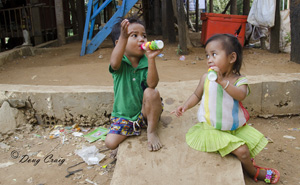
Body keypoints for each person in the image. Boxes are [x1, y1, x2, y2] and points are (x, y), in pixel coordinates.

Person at [172, 34, 280, 184]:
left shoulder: (239, 80)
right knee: (243, 151)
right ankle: (254, 172)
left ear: (232, 58)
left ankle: (246, 161)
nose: (209, 59)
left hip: (234, 128)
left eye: (214, 54)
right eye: (207, 55)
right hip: (212, 129)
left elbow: (241, 95)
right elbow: (197, 95)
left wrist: (222, 82)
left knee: (247, 148)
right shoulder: (206, 78)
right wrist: (185, 106)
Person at [105, 15, 163, 153]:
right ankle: (133, 128)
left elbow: (152, 84)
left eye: (144, 35)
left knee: (151, 92)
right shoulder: (120, 64)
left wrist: (151, 59)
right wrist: (124, 38)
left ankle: (151, 131)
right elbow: (113, 62)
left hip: (145, 113)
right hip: (124, 117)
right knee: (110, 143)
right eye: (134, 35)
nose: (141, 39)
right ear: (120, 43)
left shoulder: (145, 61)